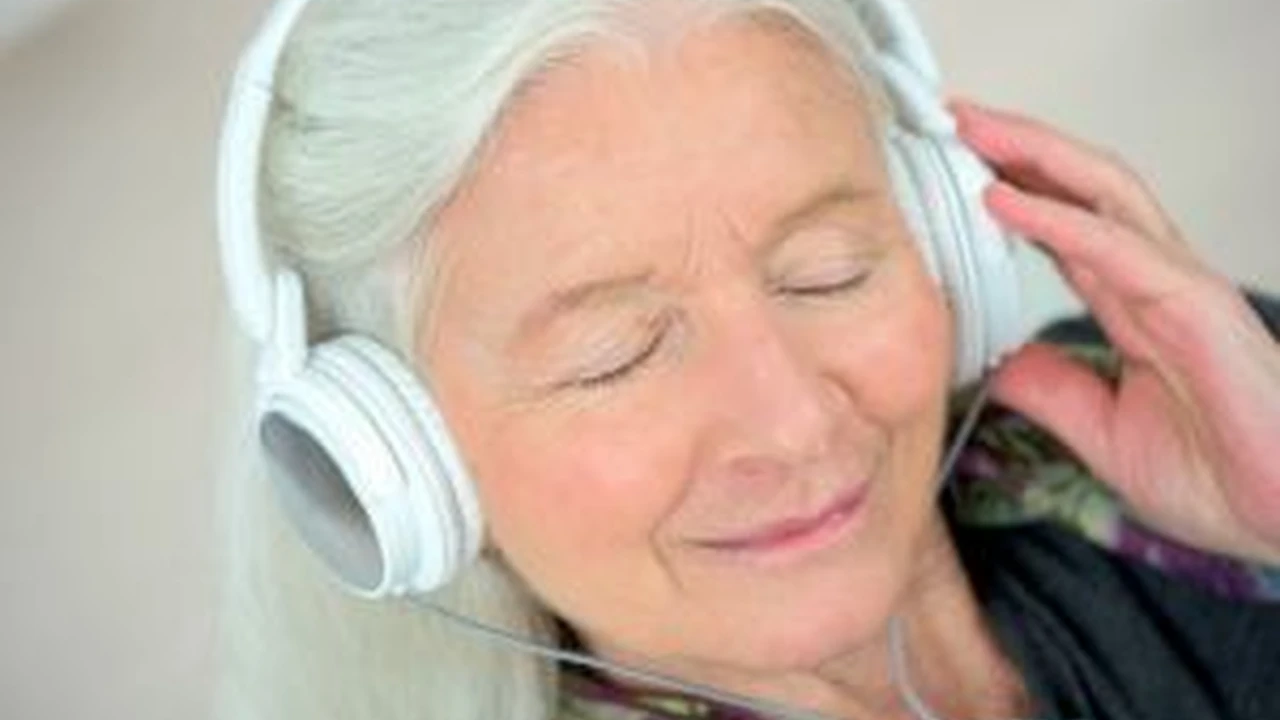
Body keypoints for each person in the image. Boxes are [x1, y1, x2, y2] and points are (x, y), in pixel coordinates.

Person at [213, 1, 1280, 718]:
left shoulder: (1209, 431)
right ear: (392, 460)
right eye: (614, 357)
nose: (795, 423)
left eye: (827, 271)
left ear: (939, 234)